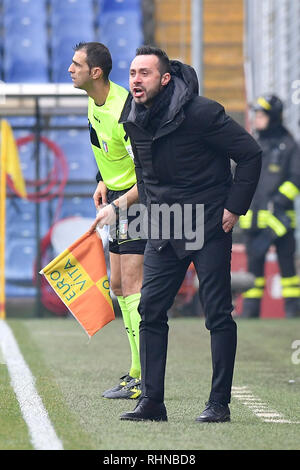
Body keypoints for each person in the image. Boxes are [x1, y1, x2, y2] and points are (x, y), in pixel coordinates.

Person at [109, 45, 262, 422]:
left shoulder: (202, 113)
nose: (135, 80)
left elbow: (250, 154)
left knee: (217, 314)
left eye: (144, 73)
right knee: (150, 310)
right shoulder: (132, 116)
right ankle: (152, 402)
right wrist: (133, 209)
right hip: (163, 225)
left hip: (208, 224)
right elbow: (145, 176)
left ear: (164, 78)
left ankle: (218, 404)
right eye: (132, 73)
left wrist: (234, 207)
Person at [68, 42, 147, 399]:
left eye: (77, 64)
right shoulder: (93, 99)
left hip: (137, 202)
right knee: (117, 286)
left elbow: (148, 175)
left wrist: (120, 204)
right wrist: (103, 181)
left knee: (132, 286)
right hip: (116, 198)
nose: (70, 69)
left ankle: (143, 375)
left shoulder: (123, 111)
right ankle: (135, 370)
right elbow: (106, 150)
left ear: (95, 73)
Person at [239, 94, 300, 318]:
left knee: (288, 271)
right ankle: (250, 313)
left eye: (262, 114)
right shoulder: (253, 143)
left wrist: (279, 202)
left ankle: (293, 312)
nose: (257, 118)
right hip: (255, 222)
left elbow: (296, 180)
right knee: (254, 271)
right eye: (256, 114)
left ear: (273, 117)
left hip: (281, 221)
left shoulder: (289, 145)